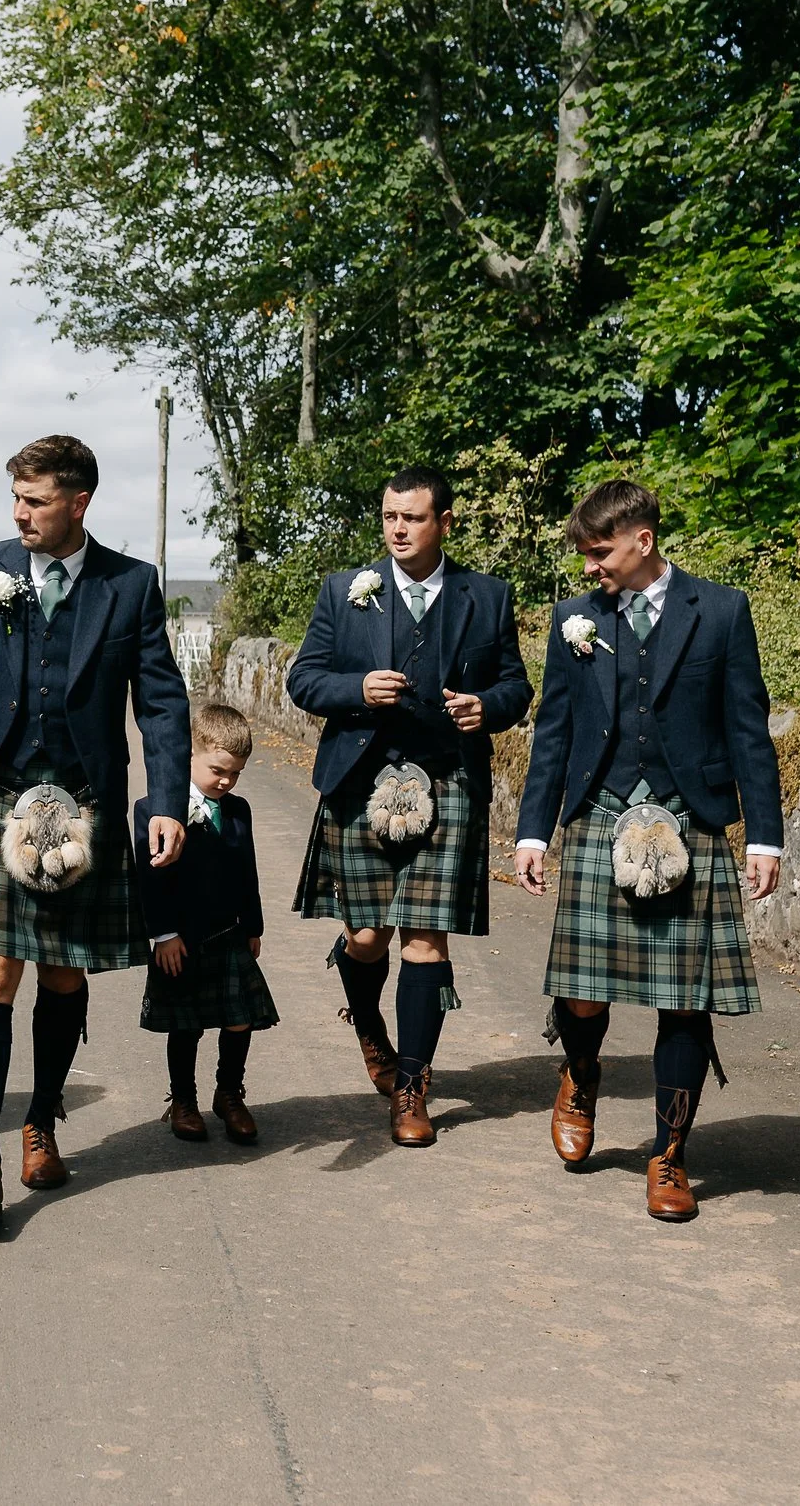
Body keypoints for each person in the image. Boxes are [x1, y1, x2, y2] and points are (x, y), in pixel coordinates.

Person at [0, 434, 192, 1218]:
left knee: (64, 973)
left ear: (79, 502)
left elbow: (162, 702)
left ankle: (41, 1119)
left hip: (83, 797)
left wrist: (166, 799)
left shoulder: (130, 584)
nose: (20, 513)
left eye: (35, 500)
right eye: (15, 498)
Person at [514, 479, 781, 1222]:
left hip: (689, 820)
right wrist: (535, 828)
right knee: (581, 990)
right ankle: (580, 1068)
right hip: (600, 818)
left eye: (600, 552)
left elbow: (747, 729)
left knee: (685, 1003)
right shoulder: (575, 618)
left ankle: (670, 1153)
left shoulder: (722, 611)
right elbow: (554, 733)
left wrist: (763, 834)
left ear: (644, 540)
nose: (590, 567)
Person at [285, 465, 533, 1146]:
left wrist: (489, 706)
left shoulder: (487, 596)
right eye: (390, 515)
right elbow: (303, 678)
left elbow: (516, 684)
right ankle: (370, 1027)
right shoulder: (345, 592)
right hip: (362, 780)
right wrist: (357, 688)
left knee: (425, 935)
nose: (398, 527)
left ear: (444, 522)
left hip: (447, 778)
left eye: (413, 517)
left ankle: (411, 1085)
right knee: (367, 938)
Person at [135, 703, 277, 1144]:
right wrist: (163, 934)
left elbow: (248, 870)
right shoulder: (153, 810)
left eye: (235, 774)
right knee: (187, 1024)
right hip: (181, 939)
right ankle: (183, 1100)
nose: (226, 781)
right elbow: (148, 878)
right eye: (218, 770)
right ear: (188, 757)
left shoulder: (238, 811)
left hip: (229, 934)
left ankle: (229, 1095)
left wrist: (253, 927)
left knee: (240, 1019)